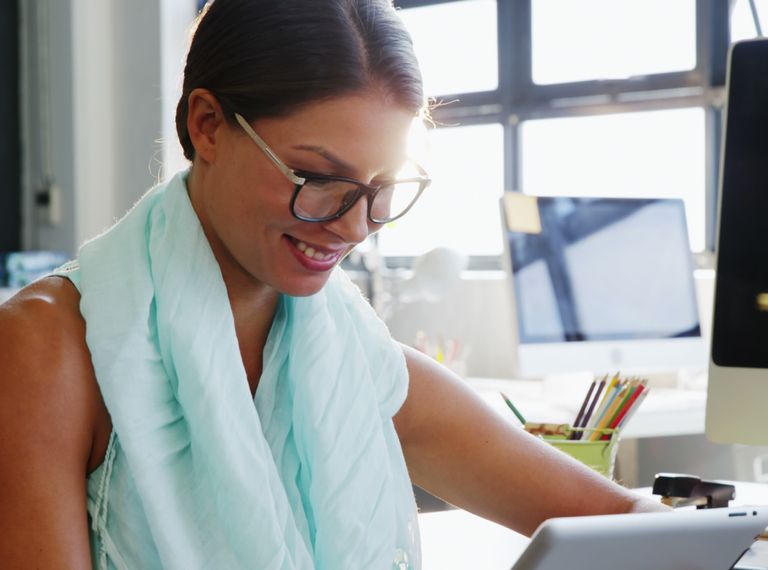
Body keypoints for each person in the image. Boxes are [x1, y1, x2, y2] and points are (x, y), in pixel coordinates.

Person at [0, 0, 666, 568]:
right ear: (206, 126)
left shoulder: (354, 358)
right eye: (316, 178)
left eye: (382, 190)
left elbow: (617, 517)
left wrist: (693, 518)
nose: (353, 226)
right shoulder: (46, 350)